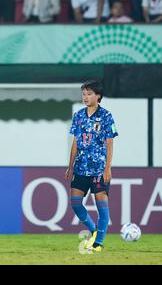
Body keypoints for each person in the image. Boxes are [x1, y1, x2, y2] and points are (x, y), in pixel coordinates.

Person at [64, 80, 118, 252]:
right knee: (75, 202)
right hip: (80, 168)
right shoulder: (78, 115)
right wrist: (70, 166)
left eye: (89, 94)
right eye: (84, 94)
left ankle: (98, 243)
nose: (86, 97)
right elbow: (75, 142)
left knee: (102, 205)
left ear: (98, 96)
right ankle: (94, 230)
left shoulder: (106, 116)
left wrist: (107, 168)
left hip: (98, 169)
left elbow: (110, 143)